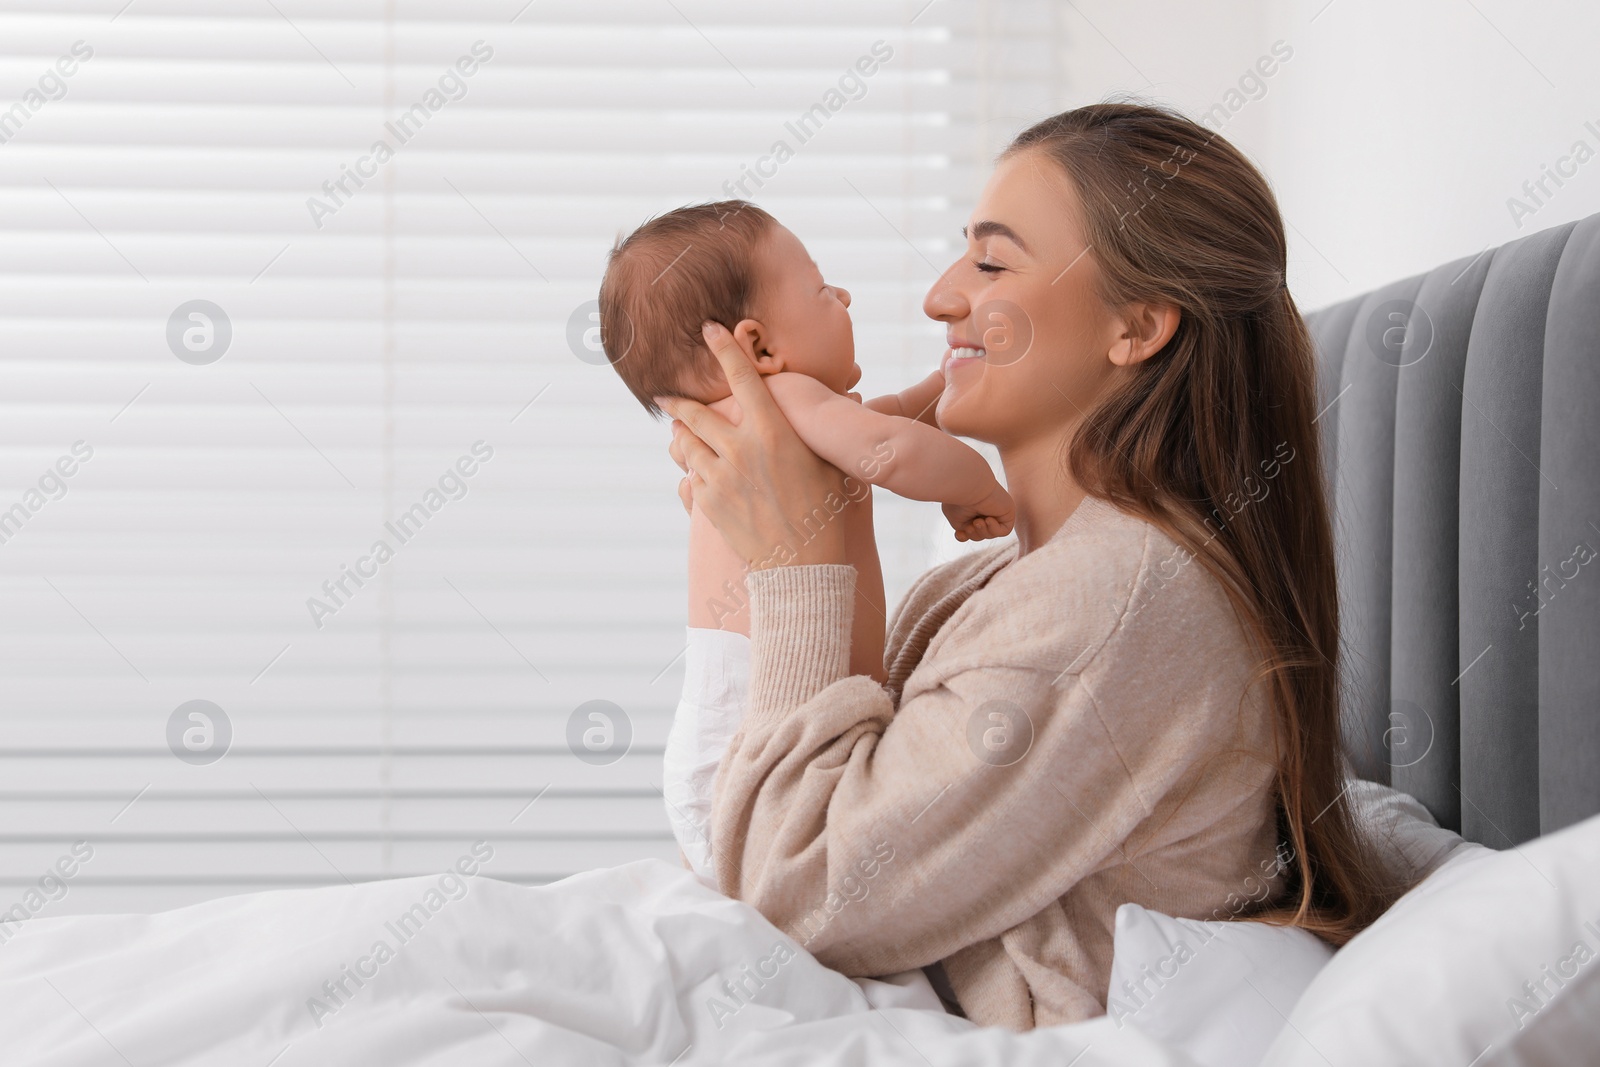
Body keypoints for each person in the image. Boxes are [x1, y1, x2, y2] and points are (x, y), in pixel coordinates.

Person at [658, 102, 1403, 1029]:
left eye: (991, 261)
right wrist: (826, 521)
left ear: (1135, 325)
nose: (939, 296)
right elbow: (805, 817)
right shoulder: (1002, 583)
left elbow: (793, 893)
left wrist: (794, 566)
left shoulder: (1115, 598)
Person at [596, 200, 1014, 878]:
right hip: (750, 740)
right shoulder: (784, 401)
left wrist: (952, 380)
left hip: (728, 742)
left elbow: (891, 418)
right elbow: (892, 450)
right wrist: (979, 490)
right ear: (758, 347)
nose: (843, 295)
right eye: (822, 288)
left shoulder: (785, 423)